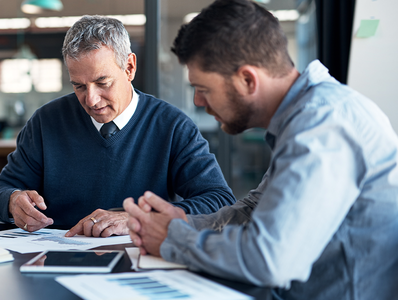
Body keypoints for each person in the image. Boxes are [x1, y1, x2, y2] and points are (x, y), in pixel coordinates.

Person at [124, 0, 398, 299]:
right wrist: (181, 222)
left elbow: (271, 260)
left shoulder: (323, 124)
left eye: (203, 89)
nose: (198, 103)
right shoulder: (302, 117)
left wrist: (173, 238)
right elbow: (254, 210)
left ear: (247, 79)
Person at [0, 15, 235, 238]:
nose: (91, 100)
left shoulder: (171, 126)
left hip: (138, 261)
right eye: (79, 86)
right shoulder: (46, 121)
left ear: (129, 68)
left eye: (102, 82)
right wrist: (12, 201)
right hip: (57, 259)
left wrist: (140, 219)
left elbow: (219, 201)